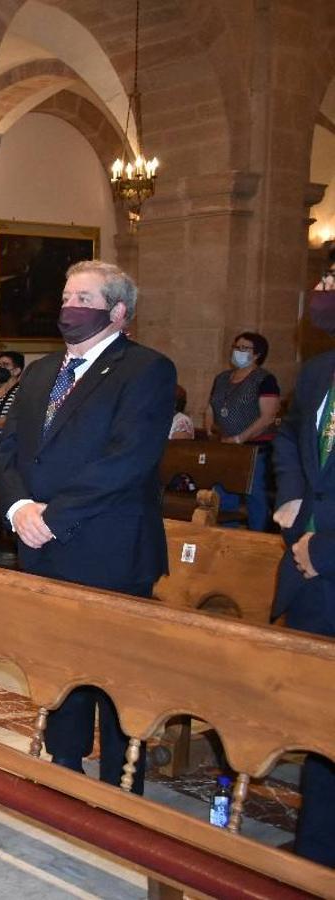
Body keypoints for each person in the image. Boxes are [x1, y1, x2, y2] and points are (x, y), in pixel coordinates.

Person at [0, 259, 175, 795]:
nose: (69, 307)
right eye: (67, 295)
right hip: (40, 543)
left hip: (108, 547)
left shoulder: (146, 369)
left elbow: (129, 458)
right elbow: (6, 451)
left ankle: (120, 787)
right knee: (60, 665)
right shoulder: (43, 370)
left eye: (84, 298)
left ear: (117, 313)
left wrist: (53, 515)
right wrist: (18, 507)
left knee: (115, 677)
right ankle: (64, 767)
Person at [271, 289, 335, 866]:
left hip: (327, 559)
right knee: (323, 720)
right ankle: (317, 853)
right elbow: (291, 433)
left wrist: (329, 550)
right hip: (311, 575)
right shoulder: (320, 369)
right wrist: (290, 496)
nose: (321, 290)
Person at [204, 332, 280, 531]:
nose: (238, 351)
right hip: (225, 447)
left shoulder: (264, 379)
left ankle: (258, 539)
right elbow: (212, 406)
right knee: (222, 493)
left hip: (253, 449)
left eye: (244, 348)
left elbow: (268, 416)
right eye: (236, 347)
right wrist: (210, 429)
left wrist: (241, 438)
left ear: (257, 354)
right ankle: (226, 538)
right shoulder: (222, 378)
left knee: (254, 494)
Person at [0, 350, 24, 442]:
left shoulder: (22, 392)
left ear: (17, 370)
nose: (0, 368)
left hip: (5, 446)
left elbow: (9, 419)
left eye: (5, 365)